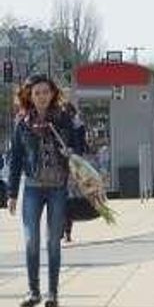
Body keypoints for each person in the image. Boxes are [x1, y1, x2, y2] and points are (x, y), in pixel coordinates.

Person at [7, 74, 82, 307]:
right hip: (32, 187)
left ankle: (52, 293)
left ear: (52, 94)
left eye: (45, 92)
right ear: (29, 95)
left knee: (53, 242)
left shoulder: (63, 119)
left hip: (57, 187)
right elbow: (16, 158)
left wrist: (72, 151)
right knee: (31, 240)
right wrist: (12, 193)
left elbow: (79, 144)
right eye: (37, 93)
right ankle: (33, 291)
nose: (41, 97)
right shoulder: (22, 123)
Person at [61, 102, 89, 243]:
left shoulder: (76, 126)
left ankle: (65, 231)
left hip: (71, 165)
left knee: (67, 199)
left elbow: (80, 146)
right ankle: (65, 231)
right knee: (65, 198)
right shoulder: (76, 126)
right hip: (67, 165)